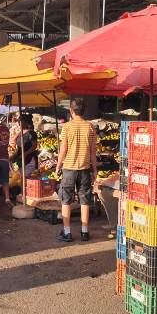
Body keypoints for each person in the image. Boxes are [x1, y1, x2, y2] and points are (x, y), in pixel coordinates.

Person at [56, 97, 97, 242]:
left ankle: (67, 233)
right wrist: (95, 170)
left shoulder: (66, 127)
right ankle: (84, 232)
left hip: (68, 169)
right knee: (85, 200)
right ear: (83, 111)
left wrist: (58, 165)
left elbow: (63, 150)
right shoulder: (91, 127)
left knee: (66, 201)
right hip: (85, 169)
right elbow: (93, 152)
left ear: (71, 111)